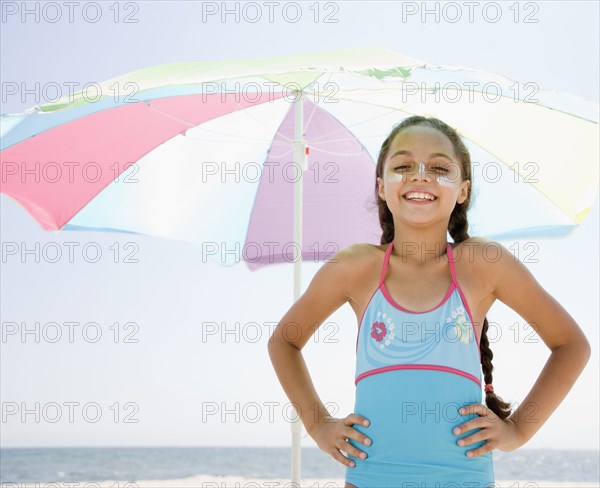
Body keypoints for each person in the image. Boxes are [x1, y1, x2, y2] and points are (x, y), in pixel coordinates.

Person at [267, 116, 591, 487]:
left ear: (463, 190)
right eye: (403, 166)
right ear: (381, 187)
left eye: (439, 168)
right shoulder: (355, 267)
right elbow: (284, 341)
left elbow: (571, 345)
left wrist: (518, 430)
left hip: (463, 478)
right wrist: (318, 424)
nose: (420, 176)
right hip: (371, 477)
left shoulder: (482, 263)